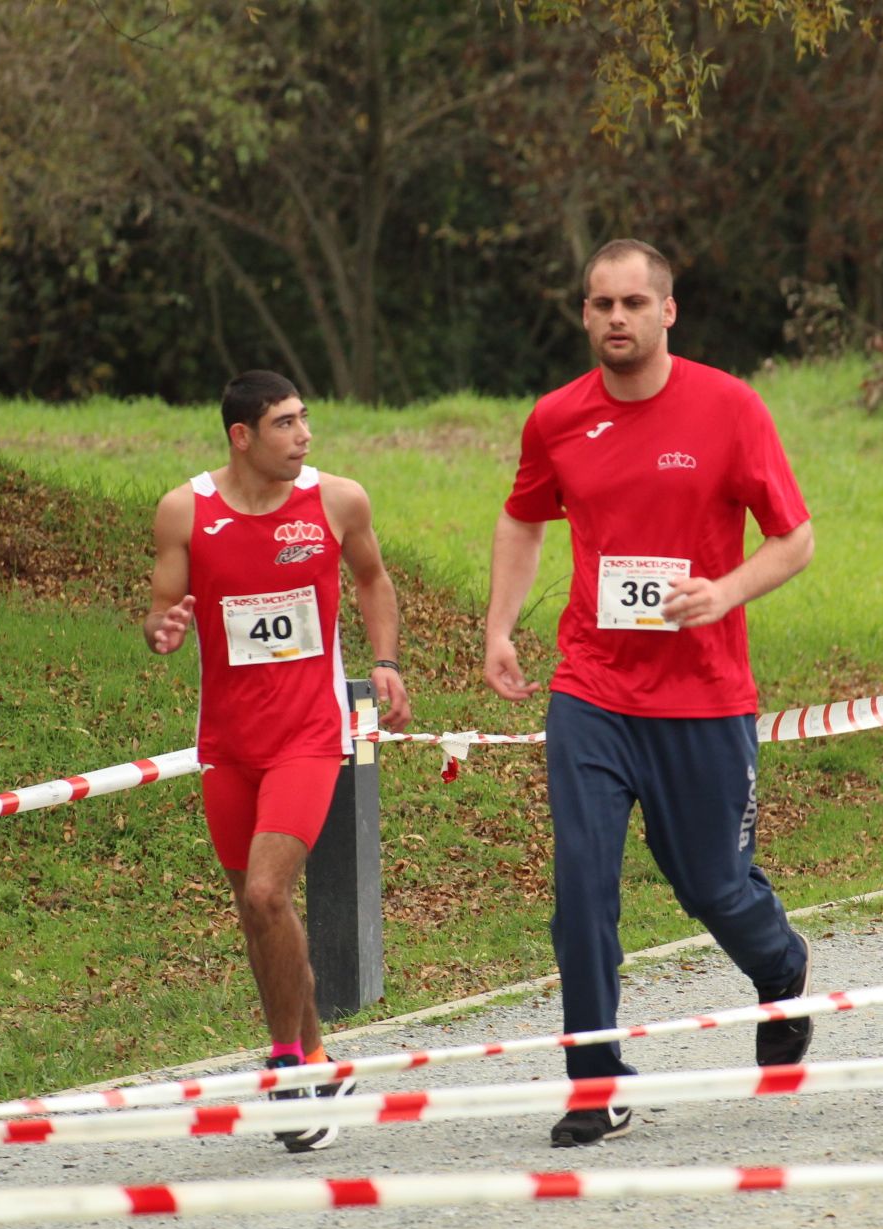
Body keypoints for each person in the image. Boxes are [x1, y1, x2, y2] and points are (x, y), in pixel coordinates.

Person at [484, 239, 817, 1148]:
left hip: (704, 696)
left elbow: (794, 539)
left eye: (634, 303)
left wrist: (723, 592)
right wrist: (500, 627)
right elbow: (523, 515)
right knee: (581, 886)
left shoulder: (728, 407)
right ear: (584, 315)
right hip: (592, 689)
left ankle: (781, 971)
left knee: (712, 884)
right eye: (602, 305)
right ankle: (596, 1080)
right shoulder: (556, 419)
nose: (617, 319)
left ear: (669, 310)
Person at [144, 369, 411, 1152]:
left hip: (308, 734)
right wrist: (163, 631)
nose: (304, 436)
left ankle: (288, 1067)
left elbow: (373, 580)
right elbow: (163, 611)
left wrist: (386, 660)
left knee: (266, 893)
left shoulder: (337, 500)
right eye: (286, 424)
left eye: (305, 419)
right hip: (228, 743)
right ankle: (321, 1056)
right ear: (242, 436)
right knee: (259, 915)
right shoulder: (185, 511)